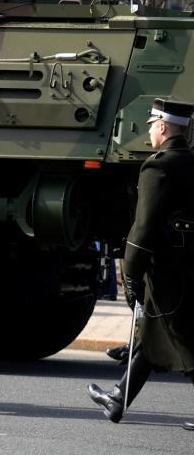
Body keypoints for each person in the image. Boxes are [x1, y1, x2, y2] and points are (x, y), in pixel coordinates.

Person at [88, 98, 194, 430]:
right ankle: (119, 398)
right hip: (188, 263)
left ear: (162, 127)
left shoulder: (158, 166)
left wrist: (131, 271)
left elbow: (144, 225)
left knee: (180, 337)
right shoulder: (191, 161)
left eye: (152, 125)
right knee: (156, 332)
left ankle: (119, 397)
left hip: (167, 266)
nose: (149, 131)